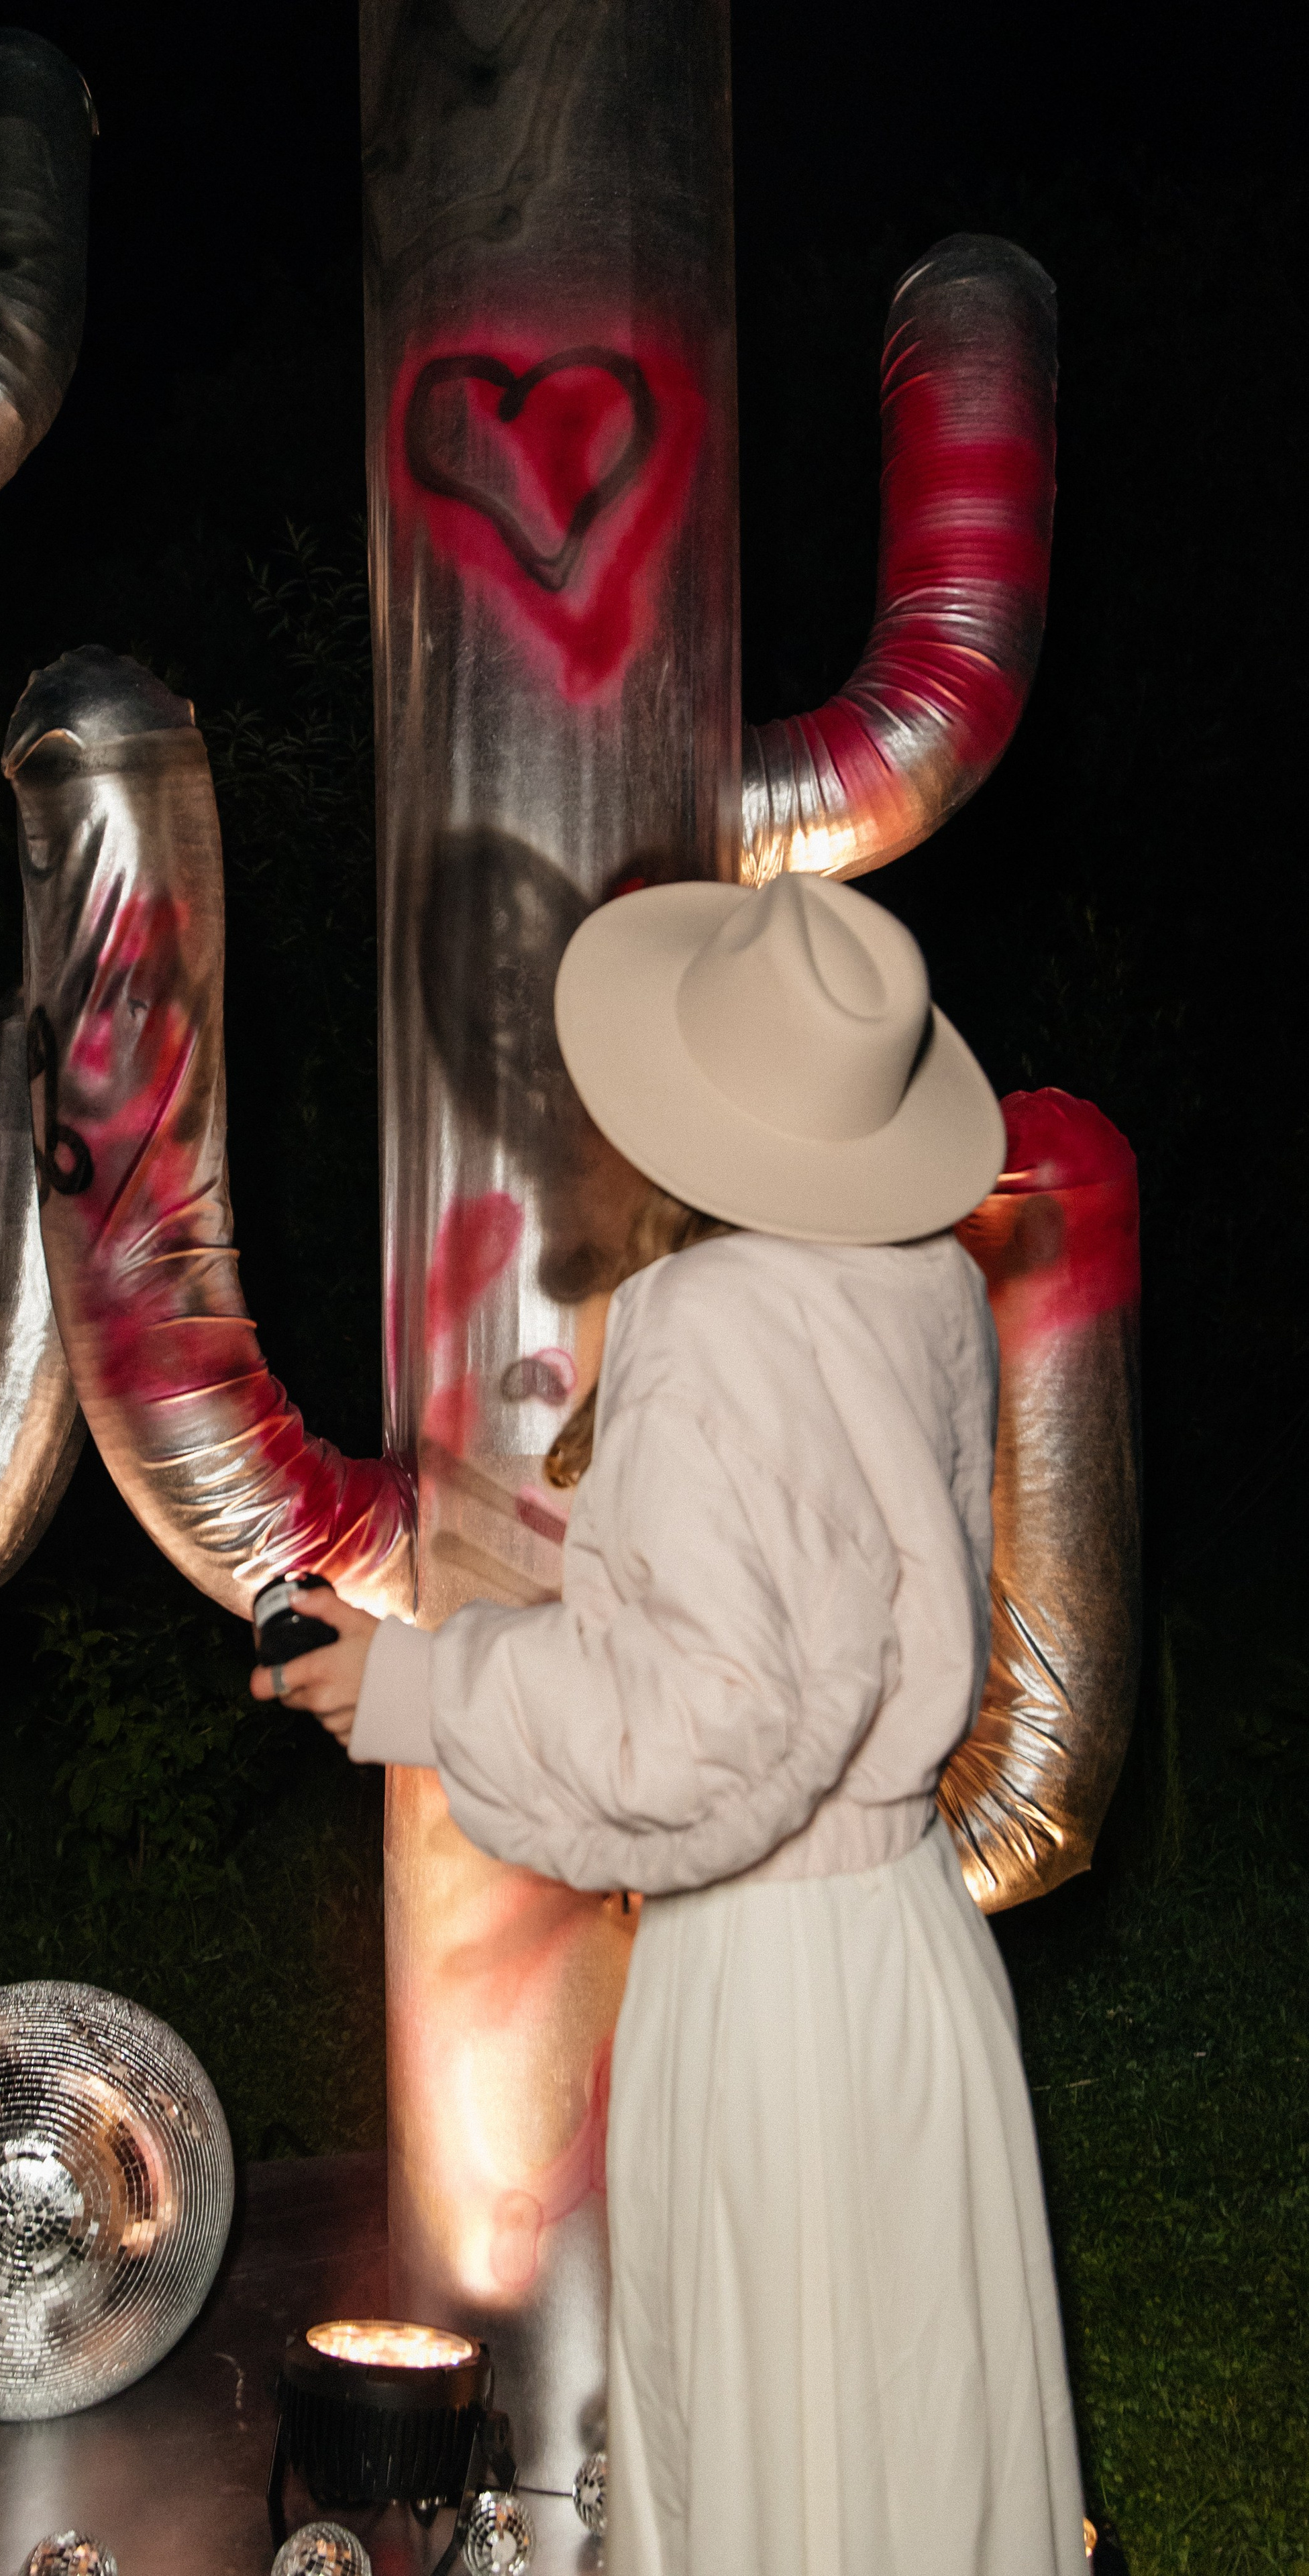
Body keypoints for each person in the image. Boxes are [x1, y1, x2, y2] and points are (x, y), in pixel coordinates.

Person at [252, 871, 1088, 2576]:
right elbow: (793, 1634)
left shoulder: (713, 1323)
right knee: (900, 2434)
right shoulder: (921, 1281)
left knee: (777, 2455)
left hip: (771, 1982)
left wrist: (410, 1681)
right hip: (909, 1955)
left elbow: (706, 1730)